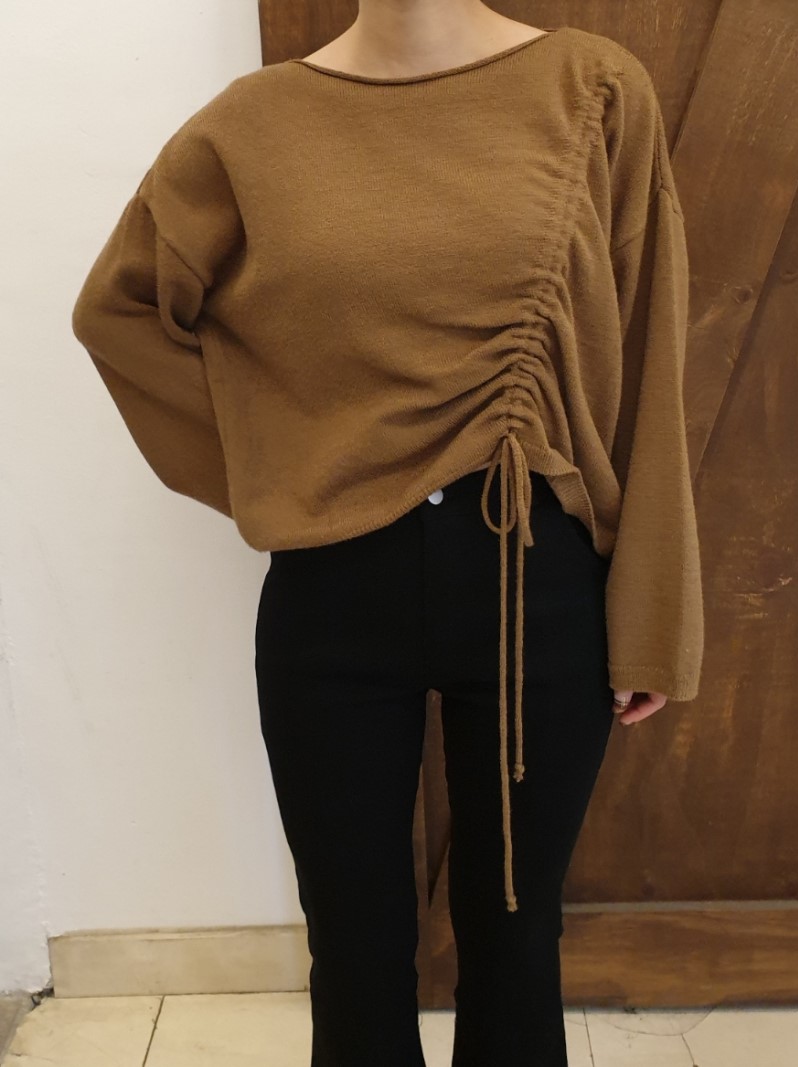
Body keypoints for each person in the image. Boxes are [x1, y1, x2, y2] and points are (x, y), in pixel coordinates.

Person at [70, 2, 705, 1064]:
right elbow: (119, 311)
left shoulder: (593, 90)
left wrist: (651, 613)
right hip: (332, 593)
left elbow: (648, 353)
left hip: (534, 589)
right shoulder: (249, 126)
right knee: (354, 958)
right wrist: (277, 468)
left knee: (515, 948)